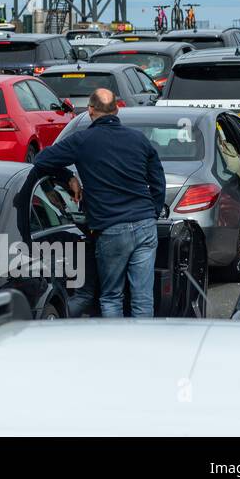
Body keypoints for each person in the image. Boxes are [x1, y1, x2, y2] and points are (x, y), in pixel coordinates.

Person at [31, 87, 166, 318]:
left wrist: (67, 177)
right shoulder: (139, 140)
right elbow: (158, 182)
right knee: (143, 298)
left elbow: (41, 160)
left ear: (91, 110)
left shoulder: (82, 140)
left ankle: (114, 348)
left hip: (111, 227)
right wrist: (152, 212)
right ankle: (143, 347)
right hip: (145, 224)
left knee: (111, 296)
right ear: (117, 110)